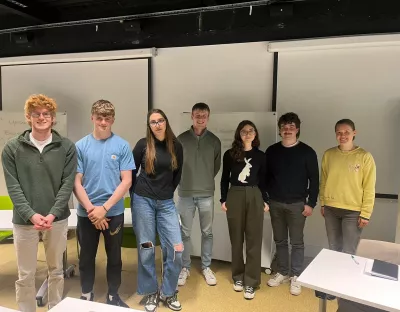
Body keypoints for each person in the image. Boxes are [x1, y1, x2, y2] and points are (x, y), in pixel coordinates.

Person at [1, 94, 77, 312]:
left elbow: (67, 184)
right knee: (25, 274)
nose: (42, 117)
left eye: (46, 114)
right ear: (28, 117)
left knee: (56, 270)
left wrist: (52, 214)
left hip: (57, 220)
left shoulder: (66, 147)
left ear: (53, 118)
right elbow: (13, 187)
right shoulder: (12, 148)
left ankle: (55, 308)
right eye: (36, 114)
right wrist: (31, 215)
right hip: (25, 222)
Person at [73, 100, 135, 307]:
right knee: (86, 258)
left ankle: (113, 296)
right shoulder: (80, 146)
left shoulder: (122, 146)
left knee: (115, 258)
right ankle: (86, 294)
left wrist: (105, 209)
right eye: (99, 118)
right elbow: (76, 182)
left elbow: (126, 180)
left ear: (113, 120)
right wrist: (93, 211)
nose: (103, 122)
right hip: (86, 212)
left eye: (107, 118)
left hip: (113, 212)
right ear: (92, 118)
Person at [131, 109, 184, 312]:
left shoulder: (176, 146)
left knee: (176, 249)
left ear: (166, 122)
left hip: (166, 203)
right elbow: (130, 170)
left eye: (160, 120)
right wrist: (135, 194)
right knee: (147, 248)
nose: (157, 124)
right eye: (153, 122)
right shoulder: (143, 145)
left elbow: (177, 173)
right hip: (143, 201)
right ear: (149, 126)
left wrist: (167, 191)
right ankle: (151, 291)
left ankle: (169, 292)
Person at [265, 112, 319, 296]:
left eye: (291, 126)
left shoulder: (307, 152)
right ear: (280, 130)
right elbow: (265, 177)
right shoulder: (271, 151)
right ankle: (282, 271)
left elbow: (315, 179)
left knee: (297, 242)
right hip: (275, 203)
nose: (287, 130)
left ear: (297, 129)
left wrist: (311, 203)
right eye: (284, 127)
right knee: (279, 240)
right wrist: (266, 199)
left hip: (298, 204)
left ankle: (296, 275)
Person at [220, 120, 269, 300]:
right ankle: (238, 277)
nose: (247, 134)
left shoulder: (261, 156)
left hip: (255, 195)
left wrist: (265, 200)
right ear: (238, 134)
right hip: (235, 195)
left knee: (254, 239)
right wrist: (223, 199)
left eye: (250, 131)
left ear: (255, 134)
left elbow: (264, 180)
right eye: (243, 131)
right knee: (236, 238)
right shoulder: (230, 155)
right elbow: (225, 178)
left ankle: (252, 281)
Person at [177, 103, 221, 287]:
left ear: (208, 117)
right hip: (185, 193)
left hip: (206, 194)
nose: (200, 118)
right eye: (197, 115)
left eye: (204, 115)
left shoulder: (214, 141)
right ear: (192, 117)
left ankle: (206, 267)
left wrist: (203, 181)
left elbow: (216, 166)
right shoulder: (180, 140)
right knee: (184, 233)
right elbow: (176, 164)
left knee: (207, 232)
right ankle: (184, 267)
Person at [320, 119, 376, 254]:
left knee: (349, 250)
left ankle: (347, 275)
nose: (342, 136)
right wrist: (323, 202)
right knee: (334, 248)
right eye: (339, 133)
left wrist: (366, 213)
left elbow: (369, 187)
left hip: (353, 211)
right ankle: (335, 275)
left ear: (354, 133)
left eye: (346, 132)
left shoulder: (364, 156)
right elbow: (324, 180)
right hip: (331, 209)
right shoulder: (329, 154)